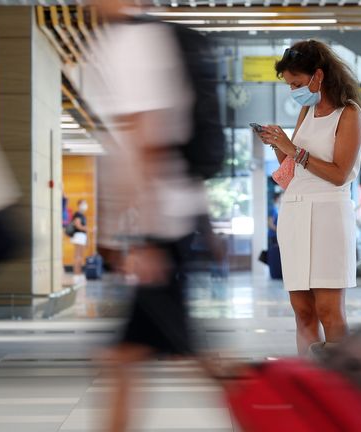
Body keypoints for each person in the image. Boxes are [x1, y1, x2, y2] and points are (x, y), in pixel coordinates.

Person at [89, 1, 223, 430]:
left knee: (183, 355)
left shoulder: (131, 41)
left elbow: (146, 140)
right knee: (127, 357)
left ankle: (285, 406)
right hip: (172, 220)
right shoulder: (154, 36)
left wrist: (140, 237)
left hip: (159, 227)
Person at [257, 39, 361, 355]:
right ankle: (308, 384)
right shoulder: (307, 109)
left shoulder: (349, 113)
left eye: (297, 83)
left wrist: (294, 150)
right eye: (290, 85)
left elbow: (339, 174)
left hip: (329, 216)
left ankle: (340, 387)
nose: (294, 91)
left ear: (318, 76)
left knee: (329, 311)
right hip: (295, 212)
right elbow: (292, 169)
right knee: (302, 312)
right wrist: (278, 144)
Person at [70, 199, 89, 284]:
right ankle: (76, 274)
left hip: (83, 236)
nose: (85, 205)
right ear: (79, 205)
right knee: (77, 256)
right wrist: (88, 229)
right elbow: (78, 225)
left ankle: (79, 273)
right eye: (83, 203)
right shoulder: (77, 214)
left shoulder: (83, 215)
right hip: (78, 236)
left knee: (81, 257)